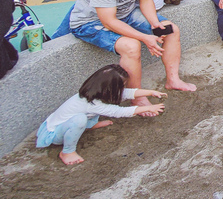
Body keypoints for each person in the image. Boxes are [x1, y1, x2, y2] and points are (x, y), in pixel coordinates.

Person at [52, 0, 196, 108]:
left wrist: (155, 23)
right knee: (132, 46)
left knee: (170, 29)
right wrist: (144, 37)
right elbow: (108, 21)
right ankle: (137, 97)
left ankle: (173, 80)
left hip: (125, 13)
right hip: (90, 23)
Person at [36, 64, 165, 166]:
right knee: (80, 119)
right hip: (55, 133)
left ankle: (89, 126)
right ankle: (67, 152)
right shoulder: (91, 103)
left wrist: (150, 92)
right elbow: (117, 112)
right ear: (110, 88)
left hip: (67, 123)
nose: (124, 88)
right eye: (122, 85)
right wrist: (147, 108)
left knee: (86, 116)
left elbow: (125, 93)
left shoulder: (95, 94)